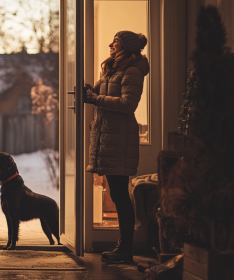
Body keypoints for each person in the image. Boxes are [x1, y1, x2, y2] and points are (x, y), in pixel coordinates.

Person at [84, 31, 149, 263]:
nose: (111, 44)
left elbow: (128, 104)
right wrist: (91, 91)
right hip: (110, 137)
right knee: (118, 193)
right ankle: (124, 248)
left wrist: (94, 99)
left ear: (126, 47)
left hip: (119, 139)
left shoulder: (132, 71)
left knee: (120, 196)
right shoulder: (113, 69)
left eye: (116, 41)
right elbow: (105, 95)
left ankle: (125, 248)